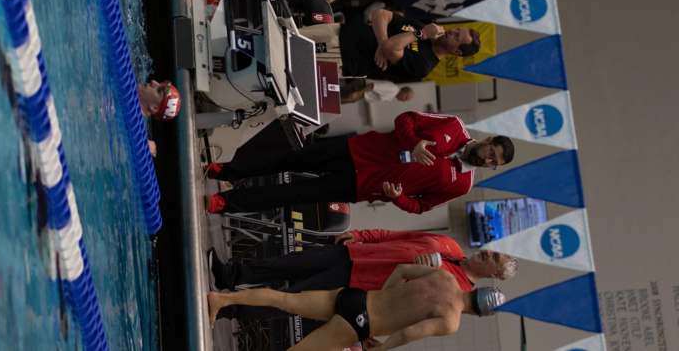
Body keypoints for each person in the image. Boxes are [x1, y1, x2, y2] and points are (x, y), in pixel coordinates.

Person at [205, 111, 514, 214]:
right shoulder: (454, 127)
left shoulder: (462, 184)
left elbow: (421, 207)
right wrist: (415, 142)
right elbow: (404, 119)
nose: (488, 159)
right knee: (290, 157)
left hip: (363, 185)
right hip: (358, 149)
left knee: (292, 194)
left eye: (493, 162)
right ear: (488, 141)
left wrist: (398, 199)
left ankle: (225, 202)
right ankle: (229, 170)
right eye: (491, 152)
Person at [207, 230, 517, 321]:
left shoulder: (456, 290)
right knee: (287, 263)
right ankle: (230, 275)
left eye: (494, 258)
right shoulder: (449, 245)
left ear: (493, 276)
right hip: (357, 255)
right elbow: (397, 235)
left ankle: (230, 309)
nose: (487, 252)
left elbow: (409, 304)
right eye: (492, 250)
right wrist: (362, 235)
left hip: (360, 285)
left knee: (290, 299)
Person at [208, 268, 506, 350]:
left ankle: (221, 300)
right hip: (360, 324)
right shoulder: (451, 320)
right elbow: (411, 334)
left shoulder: (445, 276)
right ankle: (220, 302)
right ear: (478, 314)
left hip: (357, 298)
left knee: (282, 299)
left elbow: (402, 268)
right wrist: (379, 349)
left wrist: (385, 295)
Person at [301, 8, 480, 82]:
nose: (451, 32)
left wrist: (422, 34)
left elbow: (392, 49)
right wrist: (382, 42)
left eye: (456, 37)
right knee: (287, 33)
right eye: (456, 29)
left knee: (288, 57)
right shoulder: (420, 25)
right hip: (341, 30)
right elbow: (380, 14)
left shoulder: (423, 64)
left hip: (342, 57)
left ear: (456, 51)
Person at [138, 80, 182, 156]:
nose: (153, 82)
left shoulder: (136, 129)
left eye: (158, 90)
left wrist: (144, 143)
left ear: (154, 108)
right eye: (159, 83)